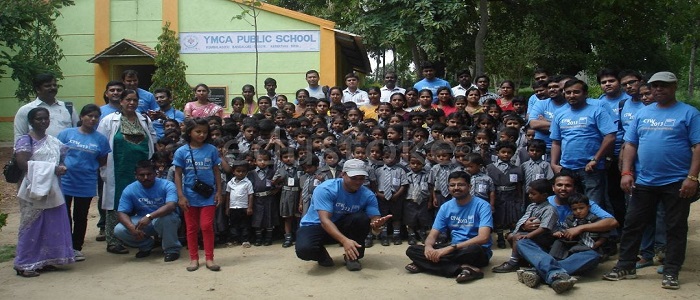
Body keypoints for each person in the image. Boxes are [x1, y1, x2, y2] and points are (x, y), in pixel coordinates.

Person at [603, 71, 700, 290]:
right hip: (644, 181)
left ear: (674, 87)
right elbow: (631, 145)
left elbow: (698, 147)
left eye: (663, 86)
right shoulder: (643, 113)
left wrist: (692, 177)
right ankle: (625, 265)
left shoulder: (689, 113)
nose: (658, 89)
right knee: (633, 224)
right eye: (655, 86)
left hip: (676, 182)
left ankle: (671, 271)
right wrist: (626, 173)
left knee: (675, 228)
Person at [515, 171, 618, 294]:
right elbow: (524, 224)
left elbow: (612, 222)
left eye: (568, 185)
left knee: (593, 256)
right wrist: (525, 225)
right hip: (549, 247)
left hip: (575, 249)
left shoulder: (583, 203)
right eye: (559, 185)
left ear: (574, 188)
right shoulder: (543, 200)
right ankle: (554, 273)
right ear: (553, 187)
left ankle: (540, 271)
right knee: (521, 241)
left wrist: (580, 228)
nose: (563, 188)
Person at [295, 159, 392, 271]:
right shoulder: (326, 189)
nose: (358, 182)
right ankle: (321, 254)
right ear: (342, 174)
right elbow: (324, 221)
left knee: (361, 218)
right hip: (316, 225)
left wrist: (377, 227)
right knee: (304, 250)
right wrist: (345, 241)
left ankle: (352, 257)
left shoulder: (368, 195)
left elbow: (375, 222)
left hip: (342, 225)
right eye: (353, 178)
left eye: (361, 178)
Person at [13, 107, 75, 277]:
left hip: (53, 188)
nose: (43, 122)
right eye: (39, 119)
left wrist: (62, 168)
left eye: (46, 118)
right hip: (32, 188)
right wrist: (53, 169)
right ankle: (24, 263)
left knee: (51, 223)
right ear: (31, 121)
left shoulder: (54, 142)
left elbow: (63, 158)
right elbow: (23, 164)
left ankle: (45, 260)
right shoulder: (25, 140)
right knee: (31, 225)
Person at [404, 171, 493, 283]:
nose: (456, 188)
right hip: (453, 249)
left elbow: (483, 238)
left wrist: (448, 249)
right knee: (412, 250)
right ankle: (463, 268)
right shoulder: (446, 207)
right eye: (452, 185)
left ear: (469, 187)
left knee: (473, 250)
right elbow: (433, 234)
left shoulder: (482, 205)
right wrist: (428, 247)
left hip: (475, 251)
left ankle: (425, 264)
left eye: (461, 185)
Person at [98, 89, 156, 255]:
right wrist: (102, 167)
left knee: (141, 199)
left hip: (141, 167)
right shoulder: (110, 120)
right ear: (121, 101)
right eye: (128, 100)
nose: (131, 103)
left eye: (134, 100)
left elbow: (152, 139)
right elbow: (102, 144)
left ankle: (137, 236)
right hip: (118, 167)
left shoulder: (144, 119)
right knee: (116, 201)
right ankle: (113, 240)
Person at [550, 79, 617, 211]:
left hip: (591, 168)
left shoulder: (597, 111)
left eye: (576, 92)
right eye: (568, 92)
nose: (571, 95)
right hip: (567, 168)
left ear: (585, 94)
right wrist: (553, 163)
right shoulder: (560, 113)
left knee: (593, 205)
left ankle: (595, 231)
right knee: (570, 204)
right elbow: (556, 141)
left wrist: (595, 159)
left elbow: (610, 137)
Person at [57, 104, 111, 262]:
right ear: (81, 117)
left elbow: (102, 160)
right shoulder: (66, 134)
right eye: (89, 116)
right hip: (65, 181)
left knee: (80, 216)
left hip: (86, 182)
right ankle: (62, 246)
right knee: (63, 214)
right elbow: (56, 153)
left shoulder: (100, 139)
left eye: (96, 116)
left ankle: (76, 247)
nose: (92, 119)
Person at [173, 118, 223, 272]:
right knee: (191, 228)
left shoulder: (212, 150)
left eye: (205, 132)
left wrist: (219, 192)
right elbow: (178, 175)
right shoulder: (181, 151)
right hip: (189, 196)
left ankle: (209, 258)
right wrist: (180, 196)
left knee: (207, 226)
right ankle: (194, 258)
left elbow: (216, 171)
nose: (201, 134)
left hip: (208, 195)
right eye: (198, 131)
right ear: (189, 132)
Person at [114, 160, 182, 262]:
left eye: (149, 174)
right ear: (135, 175)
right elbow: (121, 212)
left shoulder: (167, 185)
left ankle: (172, 250)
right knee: (119, 229)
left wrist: (150, 216)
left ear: (155, 173)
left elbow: (171, 206)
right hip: (143, 221)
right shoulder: (130, 189)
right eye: (142, 175)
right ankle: (146, 245)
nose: (146, 178)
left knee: (168, 218)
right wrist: (131, 227)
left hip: (163, 219)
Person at [492, 179, 556, 273]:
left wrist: (527, 236)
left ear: (544, 195)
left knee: (517, 237)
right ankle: (522, 260)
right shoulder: (532, 206)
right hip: (531, 233)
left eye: (533, 194)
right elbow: (523, 220)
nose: (529, 196)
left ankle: (513, 262)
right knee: (511, 236)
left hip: (544, 238)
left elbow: (544, 228)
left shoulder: (549, 209)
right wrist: (520, 229)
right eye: (529, 193)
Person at [14, 73, 79, 142]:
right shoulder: (26, 110)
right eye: (48, 86)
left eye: (54, 85)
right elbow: (19, 138)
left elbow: (78, 133)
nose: (53, 88)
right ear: (38, 89)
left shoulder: (68, 107)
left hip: (66, 151)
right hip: (38, 152)